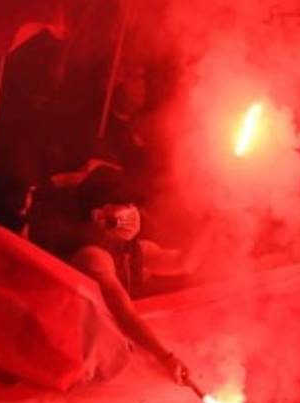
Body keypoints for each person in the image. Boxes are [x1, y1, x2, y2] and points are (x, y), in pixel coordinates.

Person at [60, 165, 209, 384]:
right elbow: (125, 314)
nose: (133, 212)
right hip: (83, 361)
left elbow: (184, 264)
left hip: (111, 351)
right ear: (99, 215)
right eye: (125, 206)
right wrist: (165, 358)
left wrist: (212, 220)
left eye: (132, 205)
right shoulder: (93, 256)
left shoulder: (130, 250)